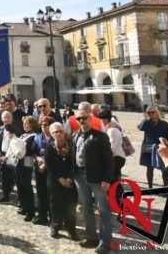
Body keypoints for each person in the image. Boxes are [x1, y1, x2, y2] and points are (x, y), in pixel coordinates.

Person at [72, 105, 114, 253]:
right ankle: (92, 237)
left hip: (97, 178)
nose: (82, 120)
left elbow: (109, 160)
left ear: (90, 118)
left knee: (103, 209)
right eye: (79, 118)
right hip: (79, 176)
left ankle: (105, 242)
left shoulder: (100, 136)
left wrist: (107, 179)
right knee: (86, 208)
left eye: (84, 118)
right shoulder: (75, 135)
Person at [45, 122, 78, 240]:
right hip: (55, 180)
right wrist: (60, 179)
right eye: (55, 132)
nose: (58, 134)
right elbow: (49, 165)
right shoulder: (49, 146)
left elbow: (73, 163)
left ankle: (71, 230)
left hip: (69, 180)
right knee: (55, 205)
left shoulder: (71, 145)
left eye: (60, 131)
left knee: (70, 206)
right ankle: (55, 226)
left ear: (64, 132)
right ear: (51, 134)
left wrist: (69, 178)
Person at [138, 106, 168, 188]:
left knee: (164, 169)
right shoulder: (146, 123)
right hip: (149, 148)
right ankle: (150, 187)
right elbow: (140, 127)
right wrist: (145, 118)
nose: (150, 114)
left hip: (161, 148)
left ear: (157, 113)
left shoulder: (164, 124)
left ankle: (165, 187)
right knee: (149, 168)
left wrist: (167, 145)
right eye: (148, 113)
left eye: (152, 112)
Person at [32, 116, 54, 225]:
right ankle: (42, 216)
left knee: (51, 195)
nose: (43, 127)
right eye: (41, 125)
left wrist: (45, 162)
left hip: (51, 170)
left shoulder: (55, 138)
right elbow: (34, 151)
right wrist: (37, 158)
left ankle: (53, 218)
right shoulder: (37, 137)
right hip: (39, 169)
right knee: (41, 193)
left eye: (45, 125)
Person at [16, 116, 38, 221]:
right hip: (19, 162)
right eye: (24, 123)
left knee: (27, 186)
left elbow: (31, 149)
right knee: (20, 185)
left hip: (27, 162)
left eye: (27, 124)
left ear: (32, 125)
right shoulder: (23, 135)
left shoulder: (34, 136)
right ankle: (24, 206)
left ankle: (30, 211)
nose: (25, 125)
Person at [97, 107, 125, 185]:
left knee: (113, 182)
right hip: (115, 158)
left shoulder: (112, 130)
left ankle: (117, 196)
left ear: (105, 119)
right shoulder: (110, 128)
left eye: (101, 119)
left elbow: (111, 148)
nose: (100, 121)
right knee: (115, 181)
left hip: (116, 158)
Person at [0, 111, 17, 204]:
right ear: (2, 119)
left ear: (11, 119)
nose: (6, 119)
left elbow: (18, 143)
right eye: (5, 117)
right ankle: (5, 195)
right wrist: (0, 155)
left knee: (13, 176)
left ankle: (18, 196)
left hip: (12, 155)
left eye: (8, 117)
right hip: (2, 155)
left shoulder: (16, 129)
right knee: (4, 176)